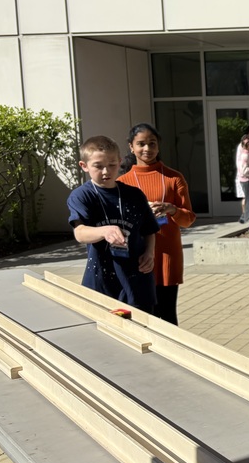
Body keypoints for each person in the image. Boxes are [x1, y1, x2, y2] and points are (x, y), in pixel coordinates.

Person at [67, 135, 159, 314]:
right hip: (102, 282)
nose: (106, 172)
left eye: (111, 165)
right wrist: (104, 231)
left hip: (137, 281)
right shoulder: (82, 196)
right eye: (98, 166)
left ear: (120, 162)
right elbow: (80, 233)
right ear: (84, 166)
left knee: (142, 334)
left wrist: (150, 252)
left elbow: (149, 230)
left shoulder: (134, 195)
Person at [117, 123, 196, 326]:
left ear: (158, 146)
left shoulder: (174, 178)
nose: (147, 149)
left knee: (168, 315)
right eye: (141, 144)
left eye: (152, 144)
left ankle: (173, 356)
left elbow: (188, 220)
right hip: (138, 256)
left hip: (167, 254)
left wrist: (172, 209)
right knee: (143, 316)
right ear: (131, 147)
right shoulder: (122, 182)